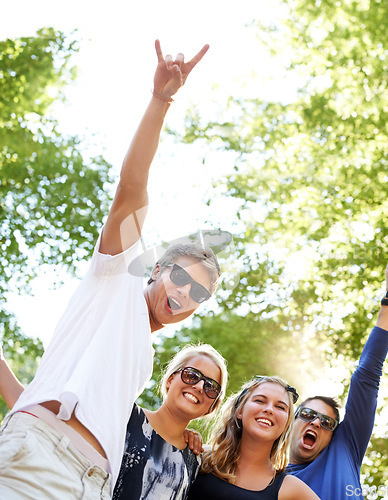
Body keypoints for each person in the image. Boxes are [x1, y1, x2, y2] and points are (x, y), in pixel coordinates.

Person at [0, 38, 216, 500]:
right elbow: (132, 188)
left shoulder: (137, 354)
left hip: (92, 483)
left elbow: (43, 396)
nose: (182, 295)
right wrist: (161, 101)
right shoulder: (119, 277)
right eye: (180, 277)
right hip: (44, 459)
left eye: (196, 295)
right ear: (156, 268)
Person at [0, 342, 228, 500]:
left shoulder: (199, 460)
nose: (198, 386)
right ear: (170, 380)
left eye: (210, 387)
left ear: (213, 405)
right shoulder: (121, 416)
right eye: (192, 375)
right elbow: (42, 413)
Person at [286, 246, 388, 500]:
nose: (316, 422)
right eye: (309, 414)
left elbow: (367, 376)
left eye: (326, 423)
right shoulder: (266, 477)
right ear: (292, 421)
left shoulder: (344, 447)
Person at [187, 375, 320, 499]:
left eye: (280, 407)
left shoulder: (290, 488)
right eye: (260, 400)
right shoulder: (201, 459)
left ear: (286, 424)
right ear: (240, 411)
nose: (269, 409)